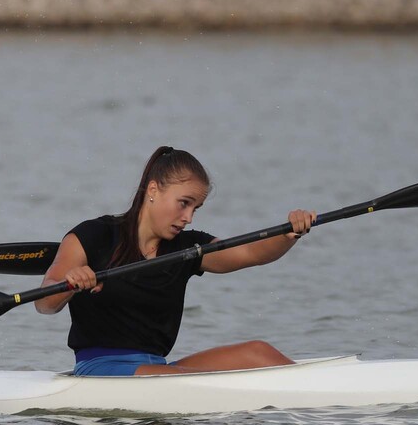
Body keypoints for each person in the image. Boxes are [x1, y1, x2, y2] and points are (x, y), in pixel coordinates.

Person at [35, 146, 315, 377]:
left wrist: (289, 233)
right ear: (153, 190)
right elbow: (44, 302)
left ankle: (320, 391)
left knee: (259, 352)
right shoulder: (93, 235)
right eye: (184, 203)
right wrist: (71, 284)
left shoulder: (186, 248)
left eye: (196, 208)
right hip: (100, 369)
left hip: (157, 368)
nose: (189, 217)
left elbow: (250, 252)